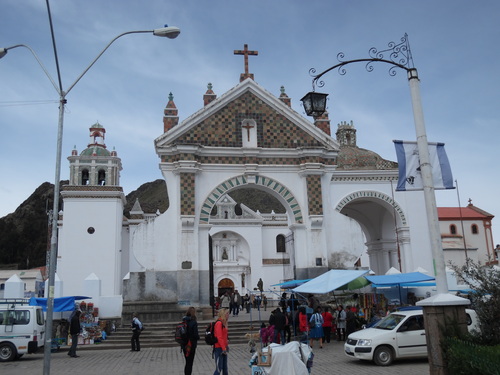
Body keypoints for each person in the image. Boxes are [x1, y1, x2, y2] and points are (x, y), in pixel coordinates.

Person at [182, 306, 200, 375]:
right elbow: (195, 334)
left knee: (187, 362)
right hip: (191, 345)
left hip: (184, 344)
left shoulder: (184, 321)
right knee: (190, 362)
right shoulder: (193, 322)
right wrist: (198, 337)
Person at [213, 308, 229, 375]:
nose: (228, 315)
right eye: (227, 314)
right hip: (219, 348)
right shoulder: (219, 323)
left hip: (223, 347)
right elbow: (219, 337)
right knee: (219, 368)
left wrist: (226, 345)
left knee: (225, 368)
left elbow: (224, 336)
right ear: (224, 314)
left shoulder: (223, 323)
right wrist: (223, 348)